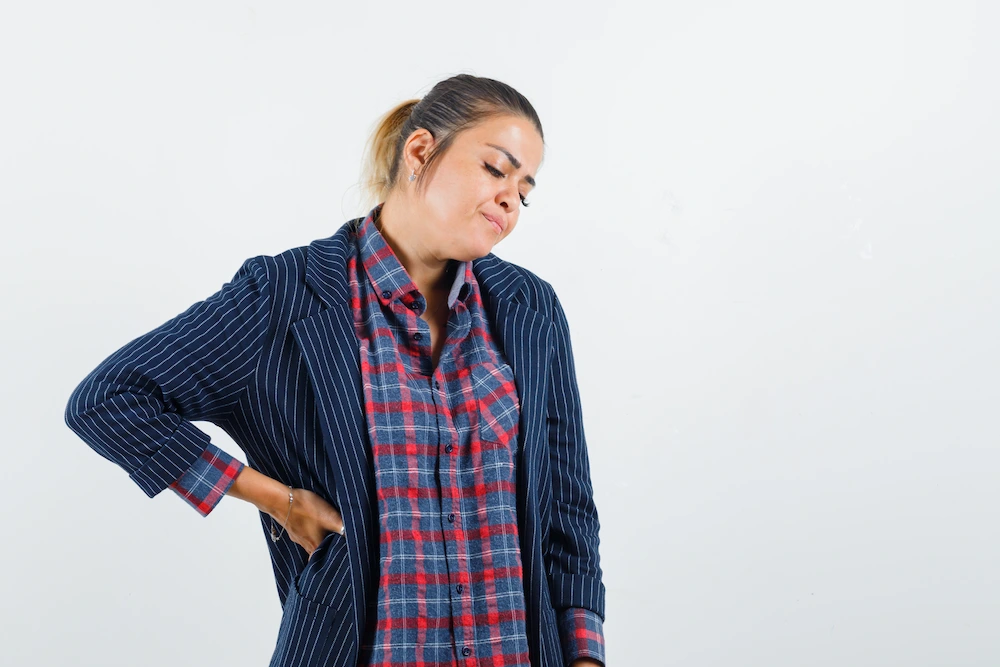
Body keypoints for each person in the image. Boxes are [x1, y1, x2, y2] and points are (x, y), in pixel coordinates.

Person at [65, 73, 606, 667]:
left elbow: (567, 508)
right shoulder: (287, 295)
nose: (510, 199)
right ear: (421, 151)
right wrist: (275, 499)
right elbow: (109, 400)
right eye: (496, 170)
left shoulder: (530, 308)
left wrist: (585, 657)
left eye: (525, 191)